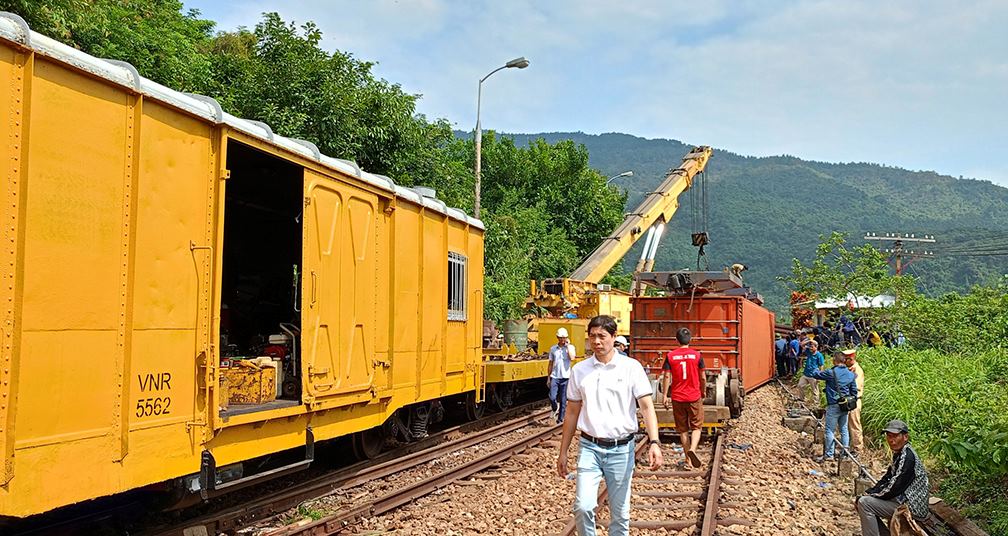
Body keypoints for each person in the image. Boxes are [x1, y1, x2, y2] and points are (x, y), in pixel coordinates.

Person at [556, 315, 663, 536]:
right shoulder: (580, 370)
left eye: (602, 336)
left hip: (621, 449)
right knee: (583, 506)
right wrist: (563, 451)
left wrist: (654, 442)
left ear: (614, 337)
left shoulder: (631, 367)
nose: (596, 341)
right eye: (592, 336)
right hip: (589, 447)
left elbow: (646, 407)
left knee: (620, 514)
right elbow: (572, 412)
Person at [856, 420, 930, 536]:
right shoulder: (899, 454)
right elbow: (887, 478)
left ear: (905, 437)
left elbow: (895, 486)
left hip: (911, 507)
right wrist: (871, 491)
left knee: (865, 503)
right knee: (862, 500)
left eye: (895, 436)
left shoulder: (908, 457)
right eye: (889, 436)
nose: (891, 440)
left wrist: (873, 495)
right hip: (902, 500)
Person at [660, 327, 706, 468]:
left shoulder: (670, 356)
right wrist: (702, 391)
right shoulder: (697, 355)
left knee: (683, 430)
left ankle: (687, 460)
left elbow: (667, 376)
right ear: (690, 340)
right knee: (697, 427)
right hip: (694, 396)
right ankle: (693, 449)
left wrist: (665, 395)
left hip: (678, 397)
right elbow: (703, 377)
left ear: (676, 340)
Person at [809, 352, 858, 462]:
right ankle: (845, 454)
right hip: (845, 406)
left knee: (830, 430)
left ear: (835, 360)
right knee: (844, 429)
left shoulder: (831, 373)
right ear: (844, 361)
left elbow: (815, 374)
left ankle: (829, 455)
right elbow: (854, 391)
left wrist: (815, 367)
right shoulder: (851, 374)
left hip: (834, 405)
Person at [548, 327, 576, 424]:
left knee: (563, 399)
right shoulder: (553, 349)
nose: (562, 340)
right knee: (552, 397)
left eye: (564, 338)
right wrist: (548, 378)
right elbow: (550, 363)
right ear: (557, 337)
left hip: (566, 377)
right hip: (555, 376)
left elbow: (572, 358)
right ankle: (555, 408)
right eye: (560, 337)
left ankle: (560, 419)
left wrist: (568, 346)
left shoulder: (570, 348)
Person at [844, 348, 865, 454]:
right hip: (849, 400)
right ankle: (851, 446)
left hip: (854, 400)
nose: (844, 361)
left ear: (851, 359)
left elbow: (855, 388)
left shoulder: (857, 370)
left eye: (846, 359)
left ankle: (858, 448)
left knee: (854, 425)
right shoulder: (850, 369)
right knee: (848, 424)